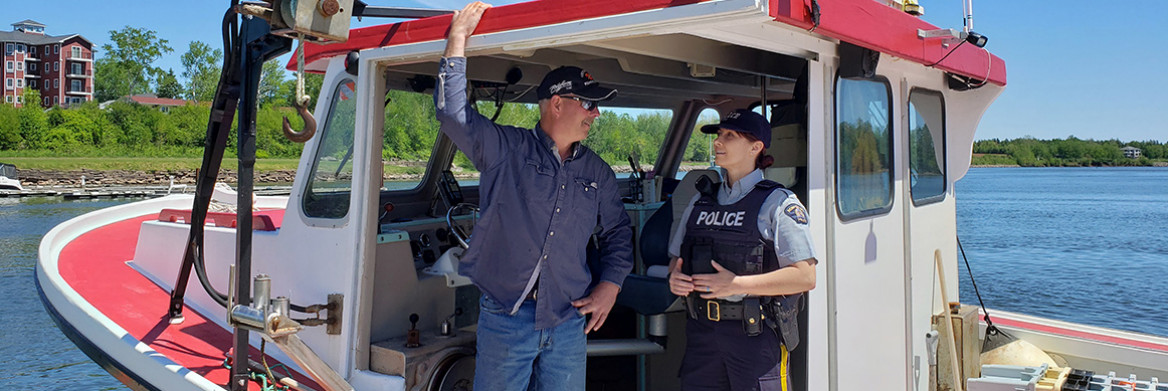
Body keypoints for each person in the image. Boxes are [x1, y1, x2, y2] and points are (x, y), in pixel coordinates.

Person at [434, 2, 634, 390]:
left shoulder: (598, 172)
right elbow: (453, 114)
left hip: (568, 319)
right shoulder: (506, 148)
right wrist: (457, 39)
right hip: (507, 317)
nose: (596, 114)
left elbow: (618, 234)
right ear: (558, 104)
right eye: (589, 104)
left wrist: (611, 285)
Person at [667, 109, 818, 391]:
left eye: (729, 136)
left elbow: (805, 277)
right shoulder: (700, 202)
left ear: (756, 147)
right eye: (718, 135)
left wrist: (738, 285)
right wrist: (675, 278)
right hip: (702, 335)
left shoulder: (779, 203)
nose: (718, 143)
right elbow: (677, 260)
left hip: (755, 336)